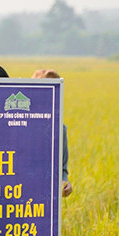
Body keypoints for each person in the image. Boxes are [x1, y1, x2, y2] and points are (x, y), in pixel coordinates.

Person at [32, 69, 73, 197]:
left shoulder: (60, 129)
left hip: (43, 201)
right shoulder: (14, 124)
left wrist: (65, 184)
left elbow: (61, 169)